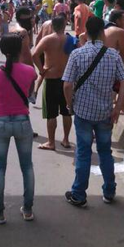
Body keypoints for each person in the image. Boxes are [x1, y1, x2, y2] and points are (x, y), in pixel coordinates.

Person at [62, 17, 124, 206]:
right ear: (102, 32)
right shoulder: (113, 55)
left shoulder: (77, 54)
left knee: (83, 153)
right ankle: (109, 191)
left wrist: (70, 105)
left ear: (86, 32)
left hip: (82, 112)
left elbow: (67, 85)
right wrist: (117, 107)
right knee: (105, 152)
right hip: (105, 113)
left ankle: (79, 194)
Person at [0, 34, 37, 224]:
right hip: (23, 122)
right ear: (20, 50)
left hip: (1, 122)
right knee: (27, 166)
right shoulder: (30, 71)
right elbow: (29, 93)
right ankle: (28, 210)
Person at [32, 16, 72, 150]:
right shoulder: (70, 39)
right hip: (66, 79)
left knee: (51, 113)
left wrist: (41, 69)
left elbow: (34, 54)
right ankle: (66, 140)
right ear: (64, 25)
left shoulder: (48, 39)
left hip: (51, 78)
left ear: (53, 26)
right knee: (66, 112)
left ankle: (51, 142)